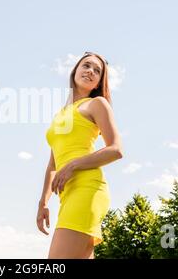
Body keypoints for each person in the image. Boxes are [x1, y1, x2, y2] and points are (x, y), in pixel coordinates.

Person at [37, 51, 124, 259]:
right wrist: (43, 203)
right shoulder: (61, 114)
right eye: (86, 66)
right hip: (67, 196)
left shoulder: (97, 104)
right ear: (75, 70)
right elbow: (53, 165)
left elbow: (116, 149)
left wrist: (72, 165)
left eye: (97, 71)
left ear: (98, 83)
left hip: (87, 189)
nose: (90, 71)